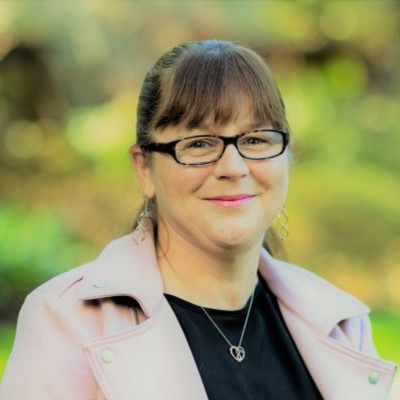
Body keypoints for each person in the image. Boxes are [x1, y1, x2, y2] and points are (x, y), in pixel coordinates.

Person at [0, 39, 396, 400]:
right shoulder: (67, 320)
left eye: (256, 139)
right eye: (199, 143)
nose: (234, 166)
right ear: (145, 169)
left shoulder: (341, 323)